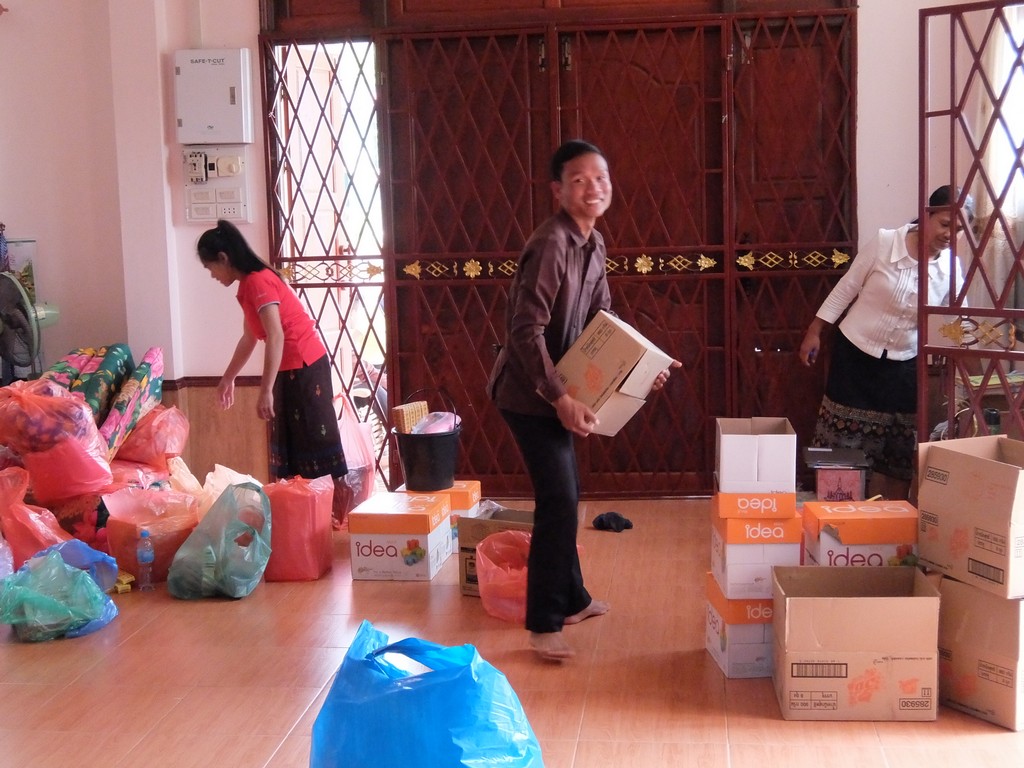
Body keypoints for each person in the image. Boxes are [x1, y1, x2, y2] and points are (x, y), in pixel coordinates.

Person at [487, 140, 680, 661]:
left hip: (558, 393)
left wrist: (640, 370)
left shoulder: (593, 243)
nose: (593, 187)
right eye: (579, 179)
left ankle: (573, 600)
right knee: (558, 501)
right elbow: (525, 330)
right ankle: (543, 624)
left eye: (601, 177)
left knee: (567, 494)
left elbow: (602, 326)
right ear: (558, 190)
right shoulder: (551, 243)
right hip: (528, 395)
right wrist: (560, 398)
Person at [799, 185, 974, 501]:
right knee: (843, 448)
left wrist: (964, 354)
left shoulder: (950, 268)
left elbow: (960, 317)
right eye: (945, 224)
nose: (950, 235)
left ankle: (889, 523)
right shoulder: (885, 243)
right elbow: (846, 288)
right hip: (854, 357)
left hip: (904, 365)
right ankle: (838, 519)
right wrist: (815, 330)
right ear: (926, 215)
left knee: (898, 454)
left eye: (959, 230)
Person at [196, 220, 351, 517]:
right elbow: (250, 337)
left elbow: (276, 335)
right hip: (289, 368)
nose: (213, 275)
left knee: (313, 443)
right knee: (293, 446)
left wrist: (265, 389)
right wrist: (228, 378)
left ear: (223, 258)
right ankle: (305, 519)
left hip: (304, 366)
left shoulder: (258, 281)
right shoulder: (247, 286)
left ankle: (332, 518)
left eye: (210, 268)